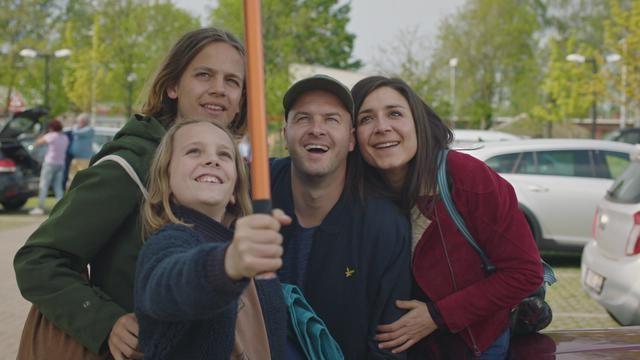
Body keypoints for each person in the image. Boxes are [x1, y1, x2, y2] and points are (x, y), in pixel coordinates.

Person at [14, 27, 247, 359]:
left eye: (232, 81)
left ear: (240, 102)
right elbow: (38, 260)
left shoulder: (235, 177)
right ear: (172, 86)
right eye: (204, 75)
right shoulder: (130, 167)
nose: (219, 90)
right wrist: (105, 322)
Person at [350, 76, 543, 359]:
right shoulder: (355, 193)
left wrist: (436, 316)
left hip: (473, 347)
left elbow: (524, 273)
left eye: (395, 113)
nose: (382, 127)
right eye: (366, 118)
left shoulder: (467, 179)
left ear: (418, 122)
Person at [271, 75, 412, 359]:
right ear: (285, 134)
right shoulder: (253, 188)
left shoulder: (384, 226)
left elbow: (387, 347)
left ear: (350, 140)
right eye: (303, 119)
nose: (316, 130)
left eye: (331, 120)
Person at [135, 119, 289, 359]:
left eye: (225, 155)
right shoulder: (168, 241)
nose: (212, 160)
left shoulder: (250, 248)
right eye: (194, 151)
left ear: (234, 192)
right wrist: (227, 264)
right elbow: (164, 287)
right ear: (167, 179)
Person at [29, 119, 69, 216]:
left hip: (50, 163)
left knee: (44, 186)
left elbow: (37, 143)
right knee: (58, 187)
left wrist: (41, 135)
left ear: (51, 128)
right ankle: (61, 208)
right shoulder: (65, 137)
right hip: (61, 164)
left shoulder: (51, 136)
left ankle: (40, 207)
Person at [67, 113, 95, 188]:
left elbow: (76, 132)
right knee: (71, 178)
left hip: (84, 159)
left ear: (85, 121)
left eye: (80, 121)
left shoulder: (89, 129)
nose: (79, 123)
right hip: (75, 158)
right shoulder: (78, 128)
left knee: (83, 178)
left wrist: (75, 126)